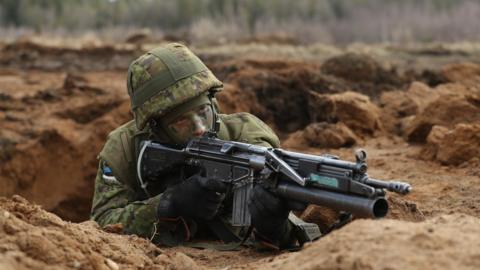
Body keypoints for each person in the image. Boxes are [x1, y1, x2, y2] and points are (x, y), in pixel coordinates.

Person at [90, 43, 319, 250]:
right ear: (155, 126)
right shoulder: (124, 148)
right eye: (181, 121)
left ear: (213, 102)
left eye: (203, 112)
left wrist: (272, 224)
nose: (199, 128)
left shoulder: (245, 135)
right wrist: (169, 204)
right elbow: (101, 225)